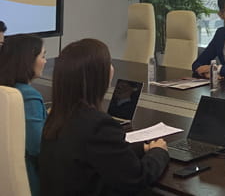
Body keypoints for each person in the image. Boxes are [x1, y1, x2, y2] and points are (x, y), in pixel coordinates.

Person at [39, 38, 169, 195]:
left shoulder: (56, 116)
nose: (112, 69)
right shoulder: (97, 125)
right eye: (109, 63)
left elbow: (101, 153)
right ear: (96, 76)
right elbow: (137, 177)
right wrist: (158, 152)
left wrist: (142, 148)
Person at [0, 34, 47, 196]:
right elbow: (38, 147)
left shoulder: (5, 90)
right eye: (43, 56)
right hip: (32, 181)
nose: (45, 62)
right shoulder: (28, 96)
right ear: (28, 60)